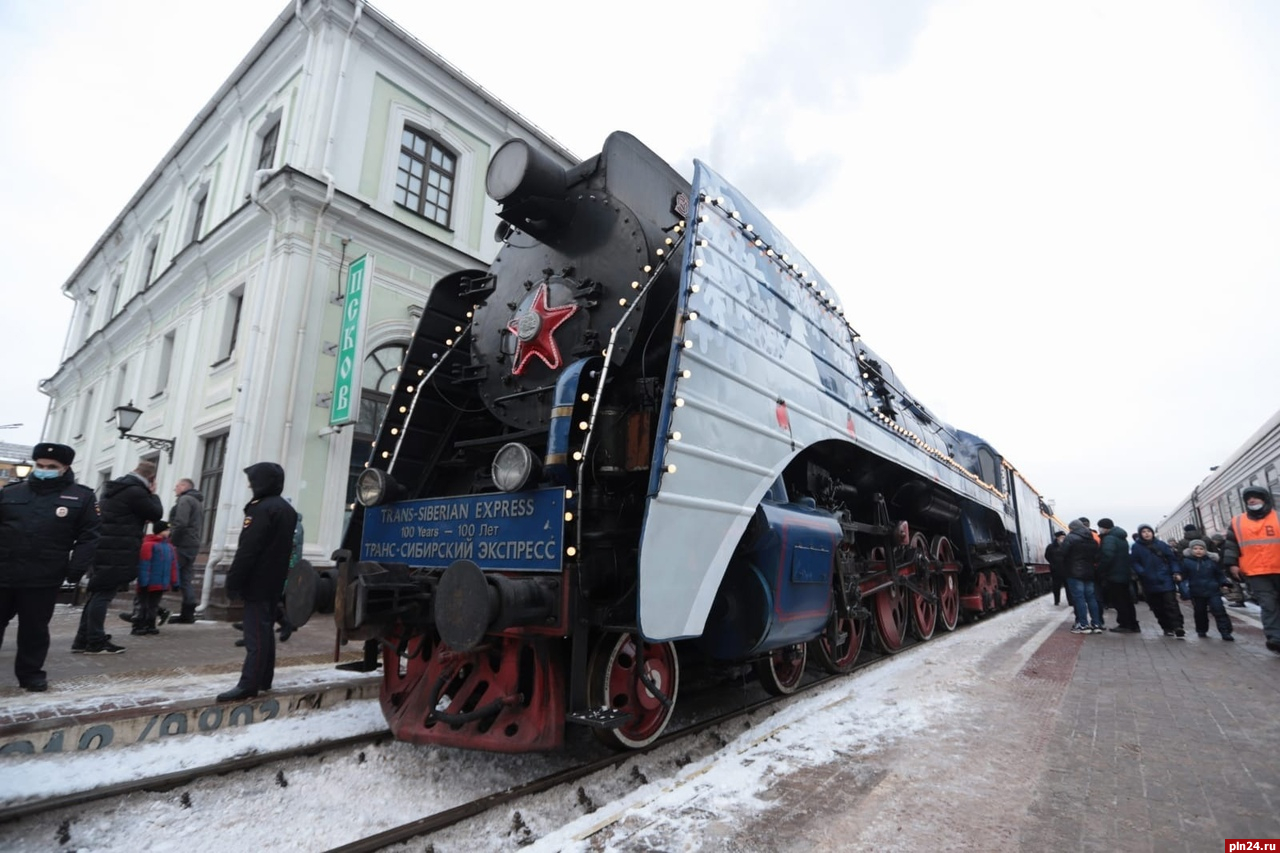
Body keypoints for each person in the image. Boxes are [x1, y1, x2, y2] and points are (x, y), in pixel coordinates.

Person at [0, 443, 100, 691]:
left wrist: (75, 570)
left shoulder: (81, 497)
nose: (44, 470)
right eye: (40, 465)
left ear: (64, 468)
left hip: (43, 575)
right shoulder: (11, 493)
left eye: (51, 467)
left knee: (34, 629)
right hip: (3, 571)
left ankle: (31, 674)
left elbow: (89, 536)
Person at [218, 462, 298, 702]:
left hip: (257, 579)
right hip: (274, 578)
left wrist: (234, 580)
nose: (250, 485)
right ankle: (263, 678)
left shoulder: (261, 509)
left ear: (262, 482)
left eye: (253, 480)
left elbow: (249, 549)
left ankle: (249, 683)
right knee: (264, 629)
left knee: (256, 634)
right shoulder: (286, 509)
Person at [73, 460, 163, 654]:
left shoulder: (117, 488)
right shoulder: (136, 492)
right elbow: (156, 514)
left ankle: (82, 640)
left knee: (97, 594)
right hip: (117, 548)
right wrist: (153, 494)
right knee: (103, 595)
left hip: (104, 546)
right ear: (151, 478)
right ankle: (95, 641)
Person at [1222, 485, 1280, 654]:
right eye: (1248, 498)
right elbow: (1231, 546)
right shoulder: (1238, 522)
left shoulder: (1277, 518)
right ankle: (1275, 638)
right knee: (1268, 605)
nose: (1252, 500)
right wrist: (1232, 564)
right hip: (1256, 572)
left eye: (1255, 497)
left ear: (1265, 499)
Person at [1129, 524, 1186, 638]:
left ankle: (1178, 626)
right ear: (1140, 534)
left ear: (1152, 532)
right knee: (1157, 606)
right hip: (1149, 581)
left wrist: (1175, 571)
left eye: (1148, 531)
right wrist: (1142, 572)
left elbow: (1172, 559)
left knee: (1171, 604)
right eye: (1143, 531)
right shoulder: (1136, 547)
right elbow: (1134, 562)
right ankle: (1166, 627)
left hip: (1165, 578)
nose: (1146, 533)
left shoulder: (1161, 545)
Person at [167, 478, 204, 624]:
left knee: (166, 574)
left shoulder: (185, 500)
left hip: (182, 544)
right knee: (185, 579)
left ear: (184, 486)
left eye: (177, 486)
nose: (175, 489)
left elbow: (181, 523)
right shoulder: (197, 501)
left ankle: (149, 611)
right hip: (192, 544)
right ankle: (188, 614)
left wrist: (172, 540)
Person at [1181, 540, 1234, 641]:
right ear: (1191, 550)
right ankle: (1201, 630)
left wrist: (1224, 583)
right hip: (1196, 592)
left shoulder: (1211, 562)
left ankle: (1225, 632)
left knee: (1219, 610)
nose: (1198, 551)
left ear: (1205, 550)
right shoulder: (1186, 562)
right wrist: (1182, 583)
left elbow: (1219, 574)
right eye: (1195, 549)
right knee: (1200, 612)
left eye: (1201, 549)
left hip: (1213, 590)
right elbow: (1184, 576)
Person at [134, 520, 178, 635]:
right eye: (166, 530)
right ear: (159, 531)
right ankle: (138, 625)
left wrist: (175, 581)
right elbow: (145, 564)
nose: (169, 532)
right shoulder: (148, 545)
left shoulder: (169, 547)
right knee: (143, 605)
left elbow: (173, 566)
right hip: (148, 583)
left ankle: (150, 624)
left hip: (160, 583)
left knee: (153, 605)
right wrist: (143, 581)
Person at [1096, 519, 1139, 633]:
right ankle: (1133, 624)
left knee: (1119, 601)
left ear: (1104, 527)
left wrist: (1100, 570)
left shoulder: (1109, 538)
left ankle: (1125, 624)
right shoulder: (1121, 538)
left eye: (1100, 527)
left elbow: (1107, 556)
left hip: (1114, 574)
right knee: (1127, 600)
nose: (1099, 530)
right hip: (1123, 574)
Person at [1061, 519, 1102, 634]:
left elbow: (1062, 553)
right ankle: (1096, 623)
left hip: (1074, 572)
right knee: (1091, 598)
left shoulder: (1070, 538)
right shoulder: (1092, 539)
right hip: (1089, 572)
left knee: (1079, 598)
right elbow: (1097, 556)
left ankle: (1083, 624)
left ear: (1072, 528)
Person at [1045, 530, 1070, 607]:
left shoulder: (1067, 545)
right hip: (1056, 570)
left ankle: (1071, 601)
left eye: (1064, 537)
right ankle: (1056, 601)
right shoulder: (1051, 547)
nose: (1063, 539)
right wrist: (1053, 563)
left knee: (1068, 587)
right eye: (1061, 537)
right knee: (1056, 586)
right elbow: (1047, 556)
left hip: (1066, 569)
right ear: (1057, 538)